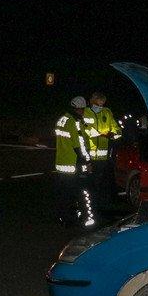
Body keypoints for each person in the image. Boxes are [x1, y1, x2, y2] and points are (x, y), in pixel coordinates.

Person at [54, 96, 95, 227]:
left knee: (63, 193)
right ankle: (74, 219)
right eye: (82, 110)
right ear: (79, 109)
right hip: (73, 164)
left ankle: (63, 218)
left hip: (61, 163)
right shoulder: (73, 122)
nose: (83, 112)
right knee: (77, 192)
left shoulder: (61, 120)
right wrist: (88, 161)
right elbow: (79, 146)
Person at [82, 91, 123, 212]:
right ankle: (89, 207)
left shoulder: (107, 112)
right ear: (92, 101)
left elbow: (118, 130)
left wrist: (113, 134)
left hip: (103, 158)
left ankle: (99, 207)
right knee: (89, 183)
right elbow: (86, 131)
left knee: (102, 184)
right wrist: (103, 134)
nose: (100, 106)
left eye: (102, 104)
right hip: (88, 156)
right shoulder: (85, 113)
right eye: (98, 104)